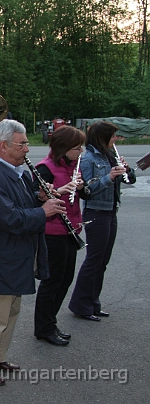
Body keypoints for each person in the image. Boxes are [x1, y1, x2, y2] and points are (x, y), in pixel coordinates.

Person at [0, 119, 65, 386]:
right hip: (2, 254)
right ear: (3, 146)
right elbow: (7, 218)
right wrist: (42, 213)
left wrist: (39, 199)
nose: (27, 149)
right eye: (22, 144)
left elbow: (19, 203)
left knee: (11, 310)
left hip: (16, 253)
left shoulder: (16, 171)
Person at [68, 121, 135, 321]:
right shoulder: (88, 158)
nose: (116, 140)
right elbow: (87, 190)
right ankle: (81, 305)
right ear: (103, 137)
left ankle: (93, 302)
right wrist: (109, 177)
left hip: (110, 211)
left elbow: (129, 181)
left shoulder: (109, 155)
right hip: (96, 212)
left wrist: (127, 170)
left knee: (102, 261)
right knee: (93, 260)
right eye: (113, 136)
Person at [33, 126, 87, 345]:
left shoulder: (73, 165)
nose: (80, 151)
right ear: (64, 148)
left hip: (70, 229)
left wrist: (81, 187)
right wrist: (61, 189)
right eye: (76, 147)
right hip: (53, 231)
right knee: (52, 281)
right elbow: (38, 197)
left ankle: (50, 322)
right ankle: (44, 327)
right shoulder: (44, 168)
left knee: (65, 279)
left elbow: (80, 196)